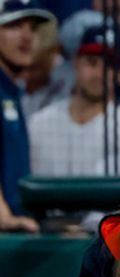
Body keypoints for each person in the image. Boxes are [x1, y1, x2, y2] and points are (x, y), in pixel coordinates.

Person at [28, 25, 120, 177]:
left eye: (109, 66)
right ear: (76, 62)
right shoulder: (40, 123)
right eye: (92, 62)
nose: (99, 74)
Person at [0, 1, 54, 233]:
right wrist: (4, 217)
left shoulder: (11, 91)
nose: (26, 36)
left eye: (31, 27)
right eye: (13, 25)